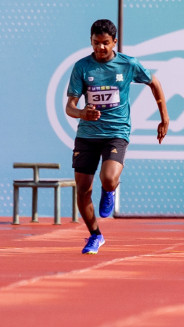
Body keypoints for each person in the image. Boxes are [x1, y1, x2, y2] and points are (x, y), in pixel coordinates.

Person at [64, 19, 169, 254]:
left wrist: (164, 117)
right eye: (95, 43)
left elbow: (154, 82)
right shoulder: (82, 67)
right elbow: (69, 107)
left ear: (115, 42)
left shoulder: (128, 64)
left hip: (116, 132)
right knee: (82, 190)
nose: (100, 48)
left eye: (105, 43)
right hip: (87, 135)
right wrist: (83, 113)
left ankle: (110, 190)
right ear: (90, 41)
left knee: (109, 177)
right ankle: (95, 235)